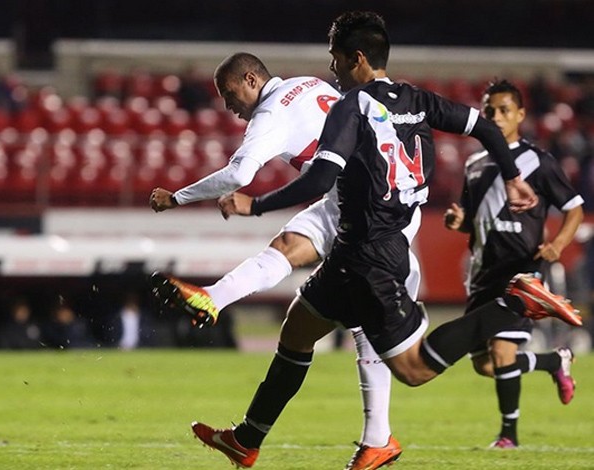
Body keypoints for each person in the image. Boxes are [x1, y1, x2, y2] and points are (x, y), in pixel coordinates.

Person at [186, 11, 582, 468]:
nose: (331, 71)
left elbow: (319, 181)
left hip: (373, 251)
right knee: (297, 329)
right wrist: (512, 176)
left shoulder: (351, 107)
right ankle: (248, 438)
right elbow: (484, 127)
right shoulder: (417, 98)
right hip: (361, 246)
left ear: (356, 59)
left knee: (413, 368)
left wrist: (251, 205)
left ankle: (513, 303)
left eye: (335, 61)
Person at [149, 52, 410, 467]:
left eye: (230, 93)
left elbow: (239, 176)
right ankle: (215, 303)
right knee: (293, 263)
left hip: (370, 214)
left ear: (251, 79)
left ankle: (379, 438)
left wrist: (177, 197)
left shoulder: (270, 113)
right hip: (367, 195)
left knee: (385, 339)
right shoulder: (309, 84)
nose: (228, 106)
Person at [443, 79, 584, 448]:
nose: (495, 116)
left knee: (503, 353)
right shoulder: (474, 164)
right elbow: (470, 219)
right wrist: (459, 221)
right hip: (482, 272)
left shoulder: (537, 160)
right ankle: (555, 362)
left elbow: (574, 209)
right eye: (489, 110)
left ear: (520, 114)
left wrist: (556, 244)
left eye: (504, 110)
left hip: (521, 273)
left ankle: (509, 436)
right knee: (485, 364)